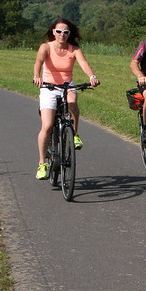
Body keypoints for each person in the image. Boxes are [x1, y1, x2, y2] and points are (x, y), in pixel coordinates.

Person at [33, 18, 100, 180]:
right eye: (59, 31)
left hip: (67, 85)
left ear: (70, 34)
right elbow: (39, 61)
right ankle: (42, 163)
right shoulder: (46, 47)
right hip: (48, 87)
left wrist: (92, 76)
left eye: (66, 32)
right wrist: (37, 76)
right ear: (53, 32)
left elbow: (83, 63)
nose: (62, 35)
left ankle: (74, 134)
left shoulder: (74, 49)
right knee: (47, 126)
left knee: (72, 103)